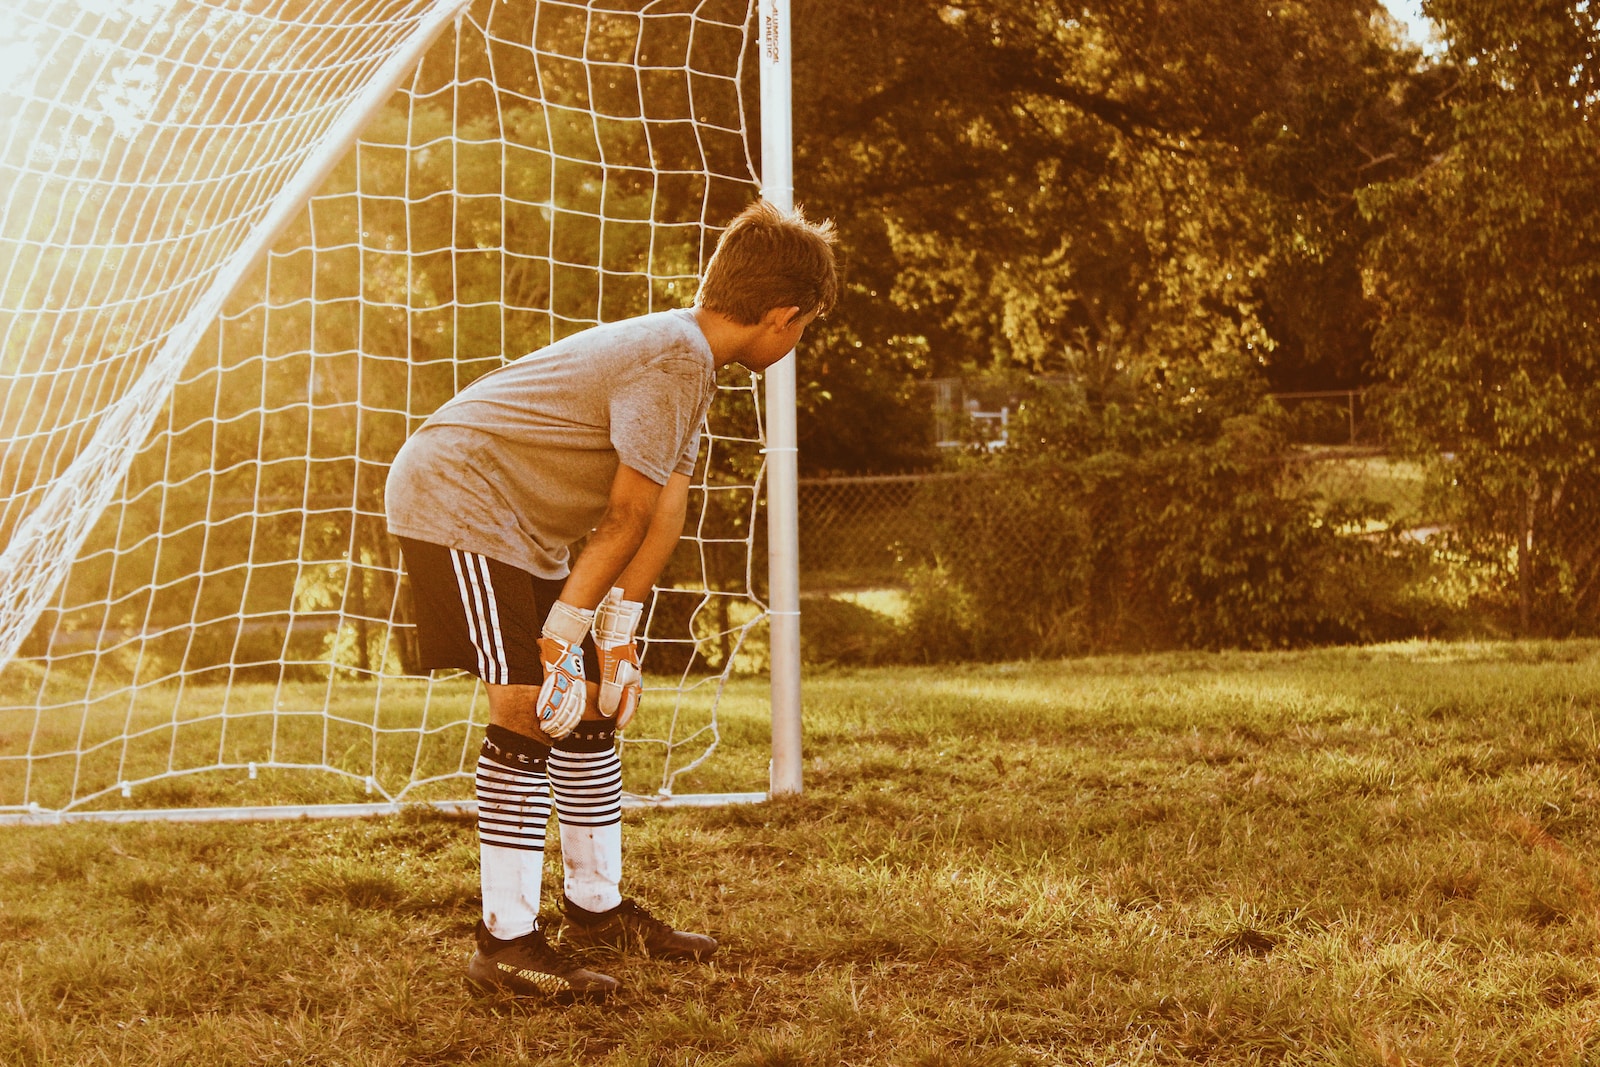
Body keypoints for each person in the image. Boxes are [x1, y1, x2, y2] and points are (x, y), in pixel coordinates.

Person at [384, 199, 838, 1001]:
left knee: (592, 699)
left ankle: (595, 911)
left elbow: (664, 510)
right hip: (457, 496)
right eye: (803, 326)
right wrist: (563, 631)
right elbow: (622, 516)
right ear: (781, 315)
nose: (797, 340)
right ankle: (505, 943)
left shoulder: (691, 360)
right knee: (528, 699)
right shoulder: (671, 355)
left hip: (520, 521)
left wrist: (616, 636)